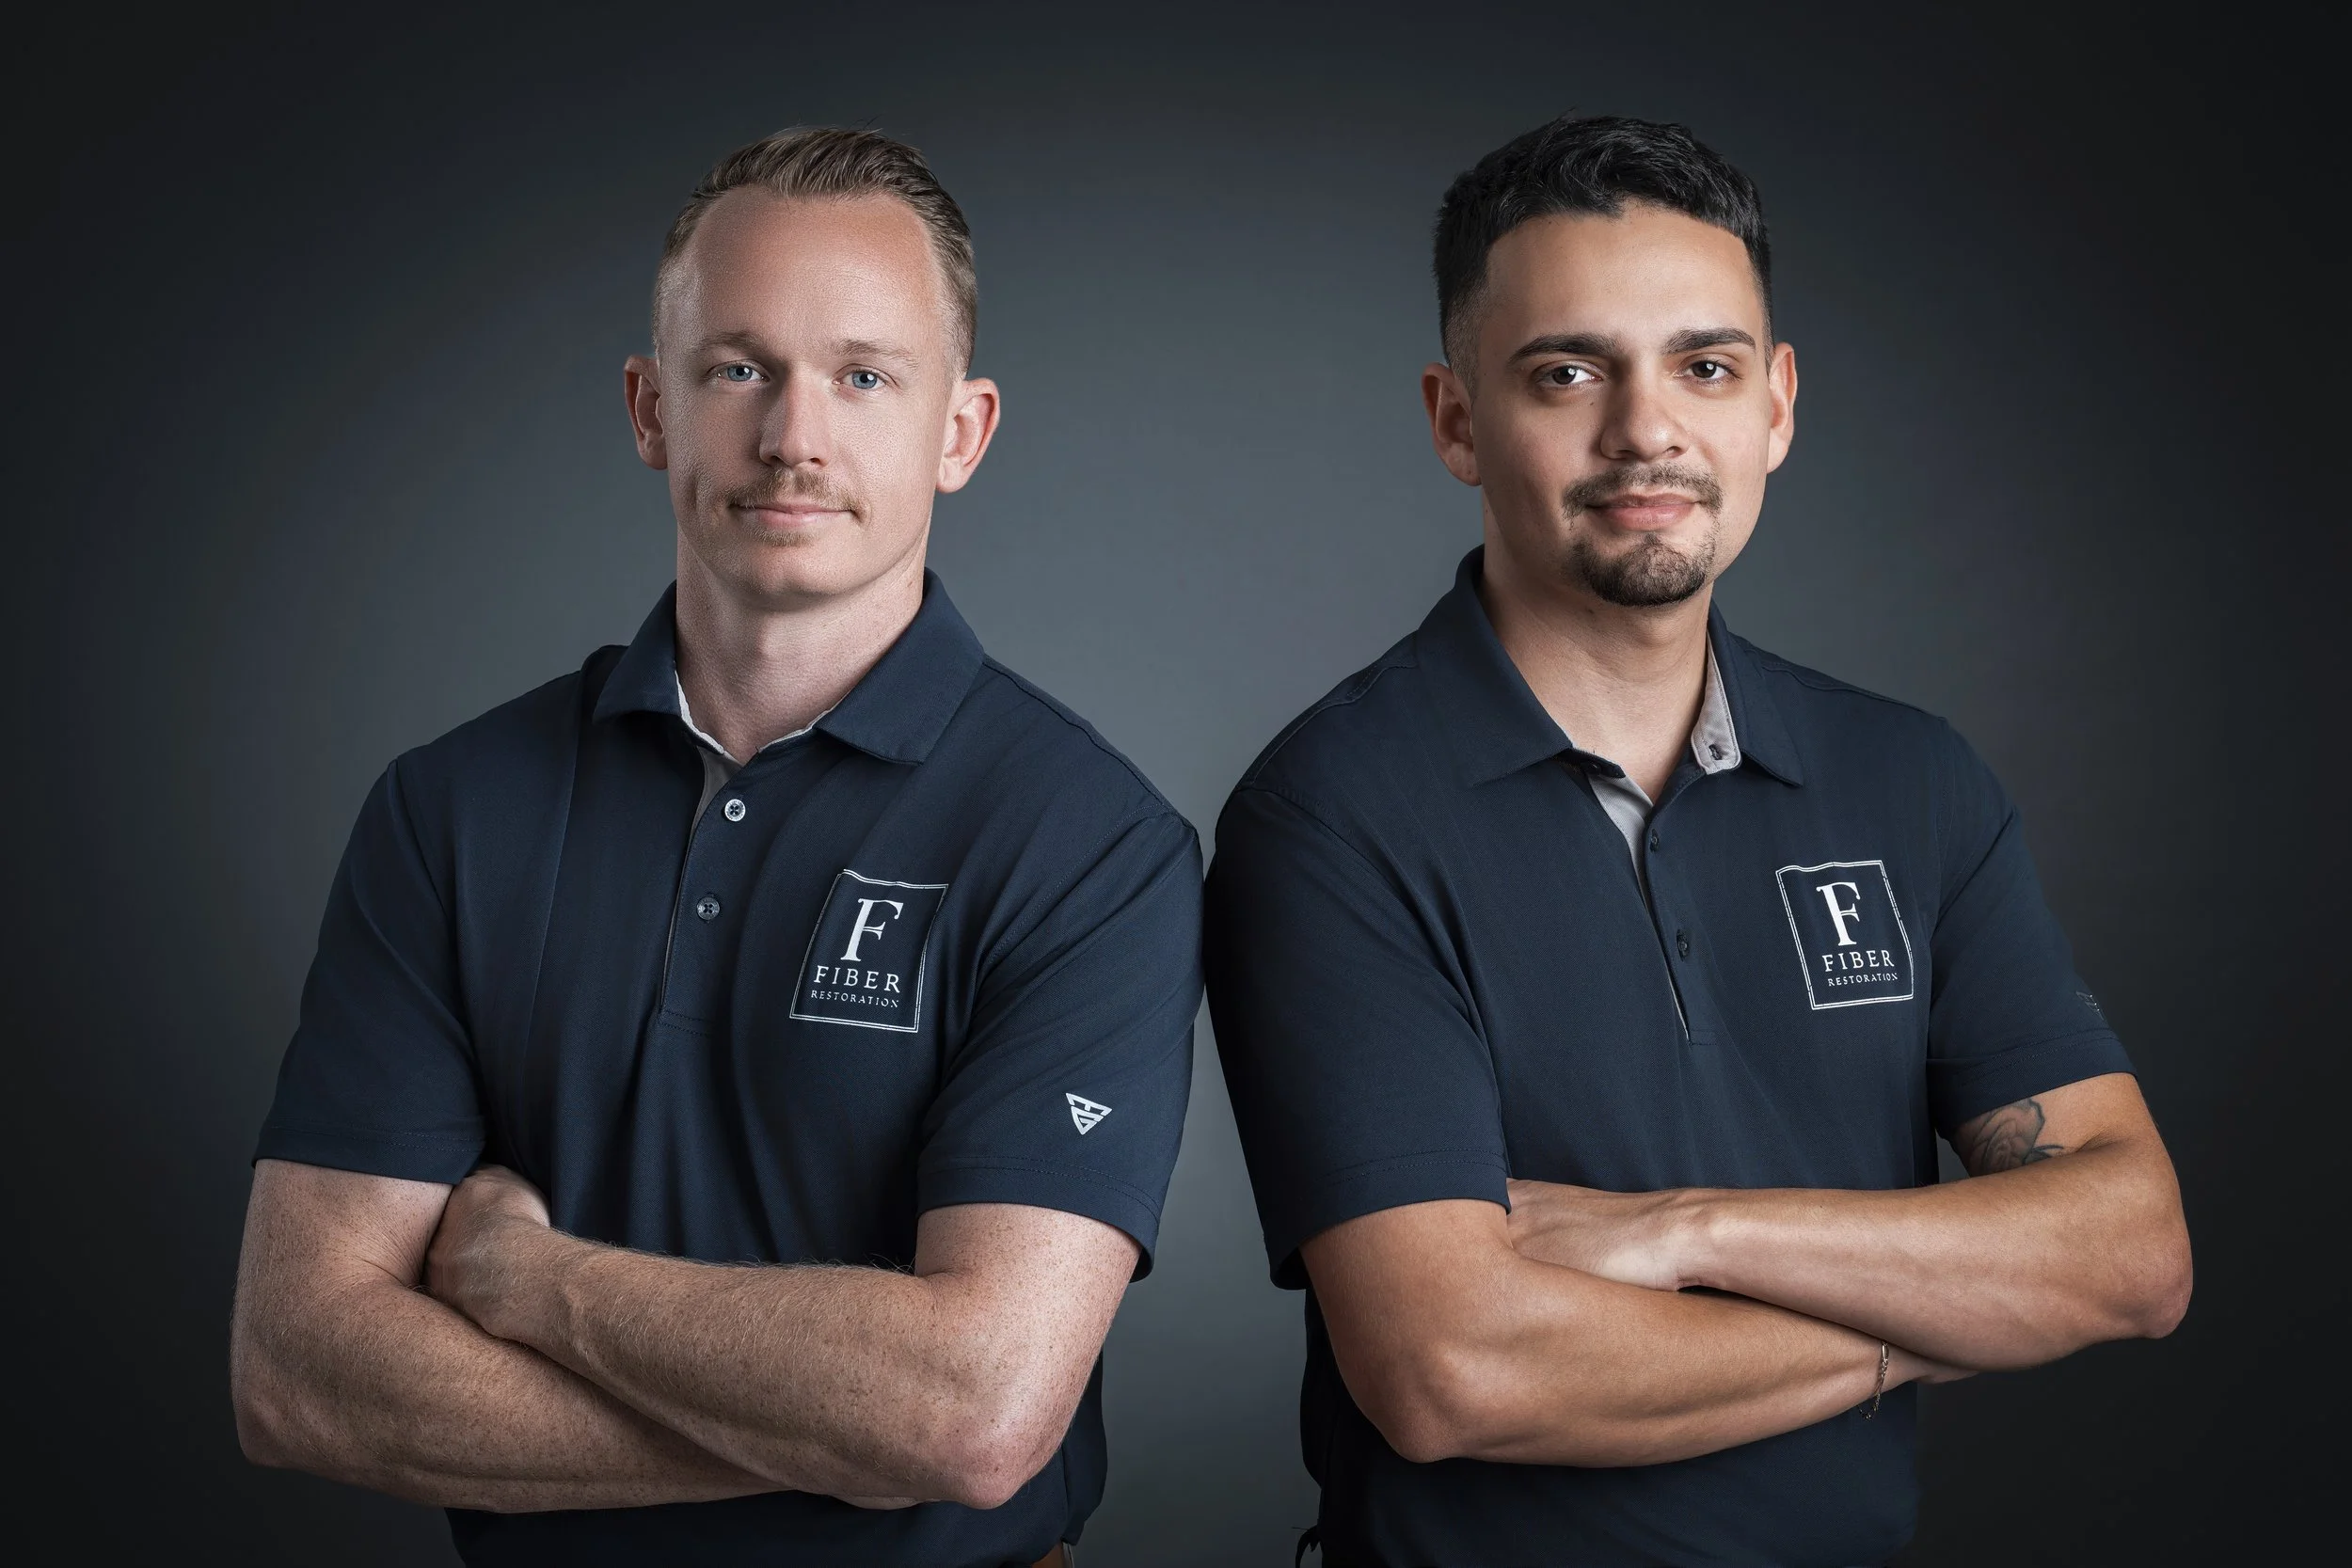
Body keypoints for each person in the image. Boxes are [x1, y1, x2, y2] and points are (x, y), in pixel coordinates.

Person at [1205, 114, 2191, 1567]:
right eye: (1567, 372)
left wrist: (1687, 1231)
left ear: (1776, 407)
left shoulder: (1913, 782)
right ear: (1457, 418)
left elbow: (2134, 1252)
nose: (1647, 429)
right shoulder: (1332, 815)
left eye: (1706, 367)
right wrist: (1919, 1325)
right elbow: (1451, 1371)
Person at [230, 127, 1200, 1568]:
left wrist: (532, 1279)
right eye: (738, 368)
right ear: (649, 406)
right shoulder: (451, 809)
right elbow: (300, 1371)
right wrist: (832, 1434)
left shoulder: (1090, 844)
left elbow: (974, 1415)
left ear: (962, 432)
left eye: (864, 375)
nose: (795, 437)